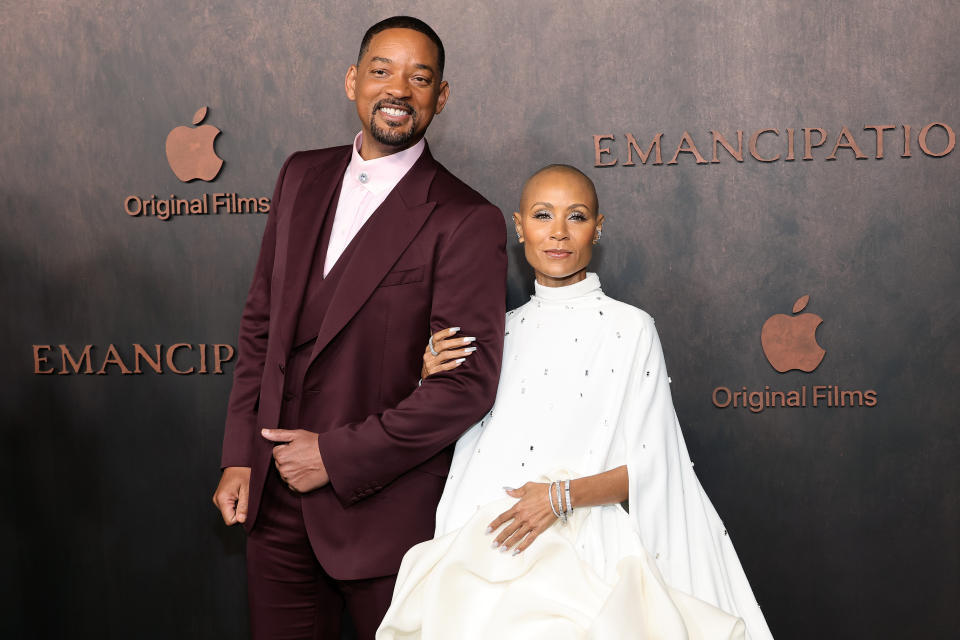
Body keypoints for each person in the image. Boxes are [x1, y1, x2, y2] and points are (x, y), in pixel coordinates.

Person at [376, 165, 774, 639]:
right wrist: (429, 378)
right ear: (519, 226)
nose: (559, 232)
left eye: (577, 217)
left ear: (598, 228)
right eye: (543, 215)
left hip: (587, 557)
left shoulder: (631, 330)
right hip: (482, 551)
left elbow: (652, 470)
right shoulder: (493, 333)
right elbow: (449, 444)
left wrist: (558, 498)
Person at [210, 16, 507, 640]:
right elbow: (261, 329)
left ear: (440, 96)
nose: (398, 89)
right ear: (352, 81)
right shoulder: (300, 175)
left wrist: (335, 456)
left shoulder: (465, 218)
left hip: (387, 518)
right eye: (381, 71)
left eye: (419, 77)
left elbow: (466, 388)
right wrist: (240, 454)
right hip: (273, 507)